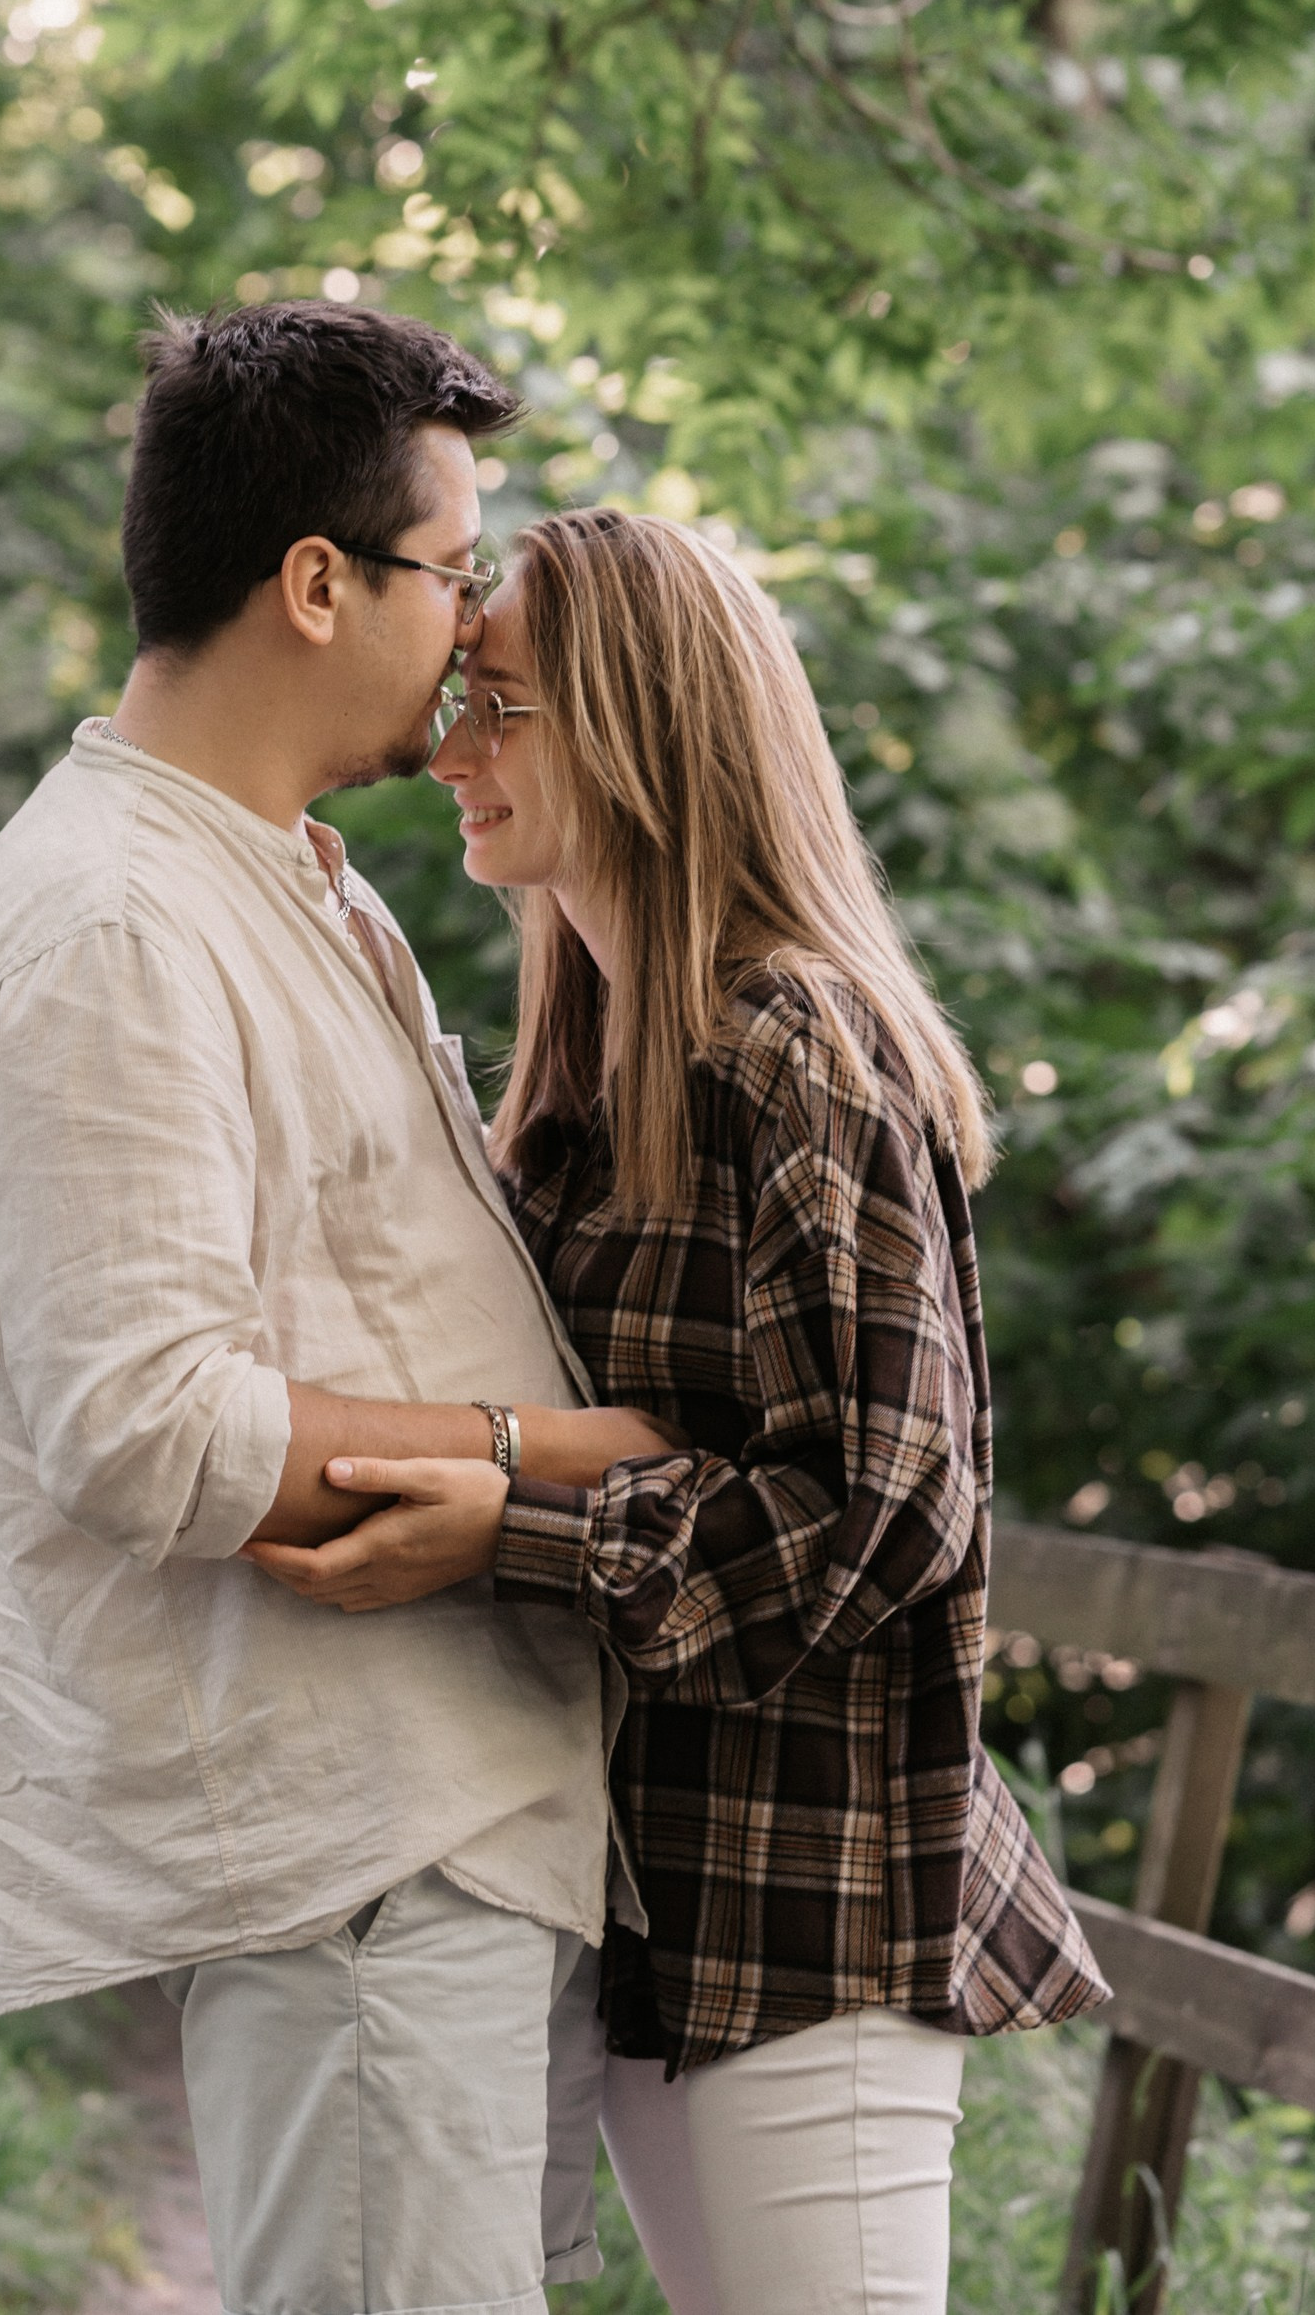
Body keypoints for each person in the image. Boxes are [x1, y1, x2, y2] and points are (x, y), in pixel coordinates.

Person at [0, 306, 678, 2315]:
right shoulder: (115, 922)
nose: (478, 625)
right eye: (452, 569)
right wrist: (550, 1454)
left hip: (434, 1840)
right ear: (317, 583)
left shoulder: (292, 882)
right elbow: (144, 1420)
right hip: (355, 1867)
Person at [246, 505, 1108, 2315]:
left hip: (810, 1911)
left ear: (644, 727)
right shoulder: (583, 1073)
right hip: (643, 1884)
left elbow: (884, 1508)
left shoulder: (796, 1039)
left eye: (502, 704)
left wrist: (514, 1524)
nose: (448, 750)